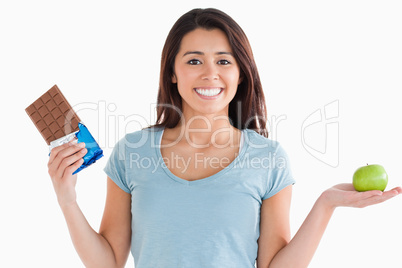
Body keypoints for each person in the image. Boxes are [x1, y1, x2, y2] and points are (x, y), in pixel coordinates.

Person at [47, 8, 401, 268]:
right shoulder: (131, 154)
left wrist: (326, 204)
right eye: (194, 61)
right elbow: (107, 263)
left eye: (224, 61)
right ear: (172, 72)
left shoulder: (268, 158)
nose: (210, 74)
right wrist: (67, 199)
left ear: (241, 73)